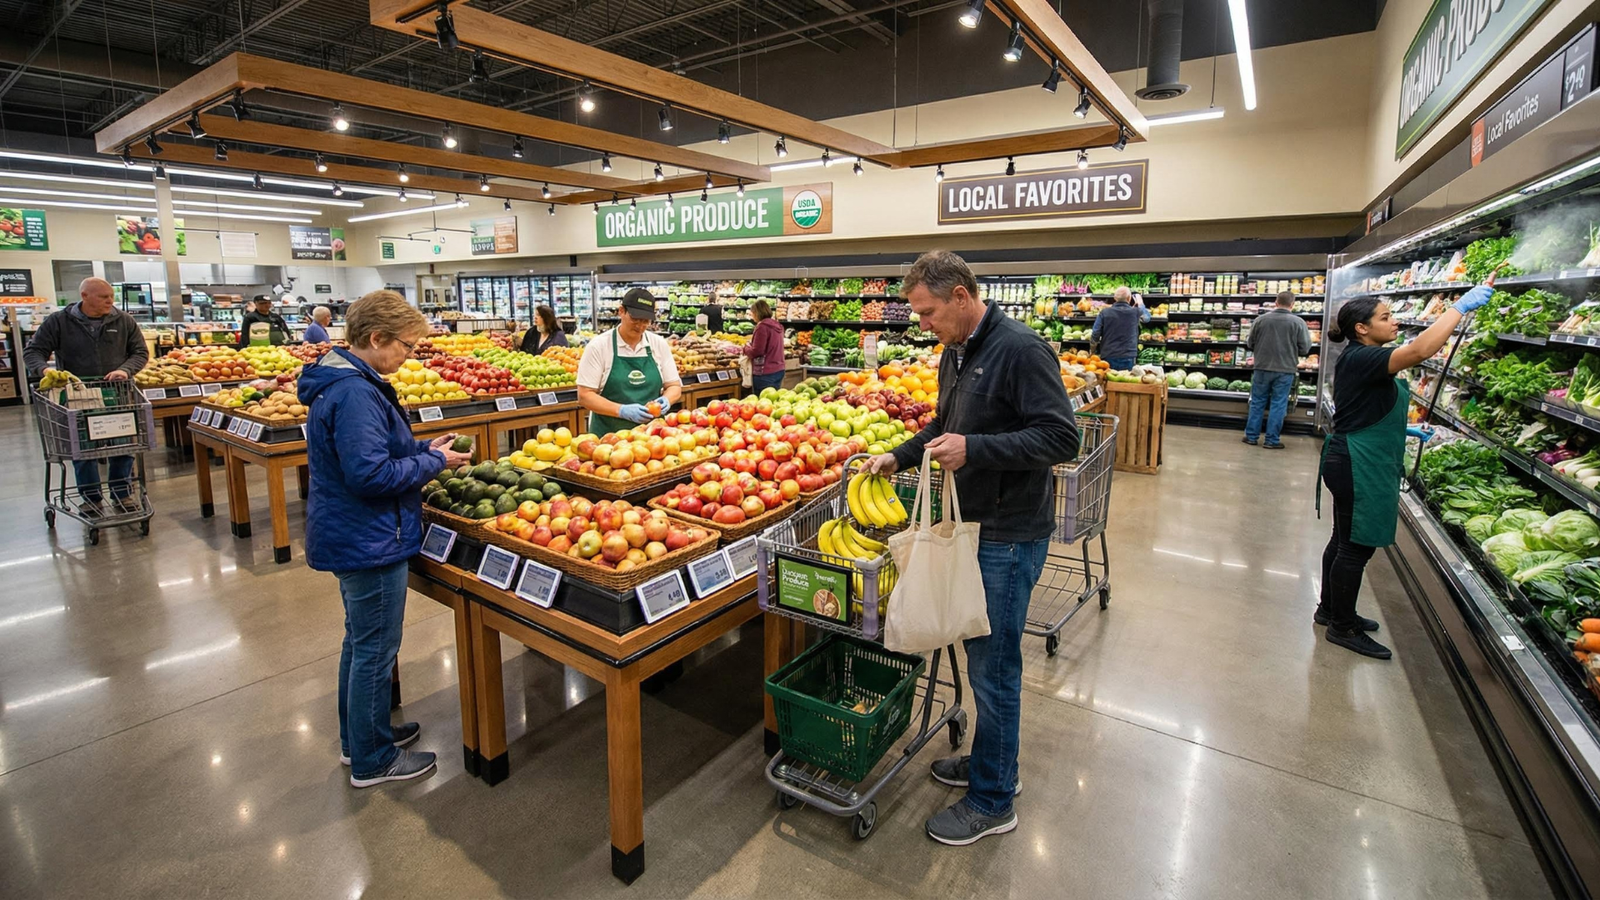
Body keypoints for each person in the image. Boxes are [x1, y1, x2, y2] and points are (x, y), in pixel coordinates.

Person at [862, 250, 1080, 846]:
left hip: (1009, 535)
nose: (923, 325)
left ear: (961, 295)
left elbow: (1063, 434)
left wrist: (977, 450)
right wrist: (899, 455)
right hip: (972, 529)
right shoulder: (956, 351)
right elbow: (943, 424)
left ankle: (993, 800)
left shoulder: (1022, 349)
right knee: (980, 658)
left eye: (929, 313)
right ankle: (991, 766)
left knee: (995, 671)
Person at [298, 289, 474, 787]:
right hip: (367, 536)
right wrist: (434, 462)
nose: (411, 355)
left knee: (361, 643)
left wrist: (421, 448)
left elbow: (376, 450)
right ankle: (374, 760)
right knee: (375, 647)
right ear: (376, 339)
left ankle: (361, 740)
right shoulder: (355, 392)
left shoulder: (346, 380)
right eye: (407, 346)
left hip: (354, 530)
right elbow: (370, 475)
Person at [1318, 285, 1493, 660]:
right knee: (1355, 547)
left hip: (1354, 454)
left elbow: (1367, 404)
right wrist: (1458, 308)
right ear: (1362, 328)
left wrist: (1405, 429)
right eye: (1385, 317)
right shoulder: (1363, 357)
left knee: (1342, 539)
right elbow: (1420, 350)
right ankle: (1342, 627)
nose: (1394, 321)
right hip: (1357, 461)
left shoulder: (1363, 355)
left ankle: (1330, 610)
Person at [23, 277, 149, 514]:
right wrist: (46, 370)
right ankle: (91, 498)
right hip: (77, 395)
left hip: (116, 393)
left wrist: (125, 369)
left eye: (111, 296)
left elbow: (140, 352)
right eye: (104, 297)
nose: (110, 301)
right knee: (84, 448)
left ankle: (122, 494)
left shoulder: (123, 321)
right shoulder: (59, 322)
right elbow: (34, 351)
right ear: (85, 296)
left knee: (122, 444)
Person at [576, 288, 681, 435]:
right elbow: (585, 395)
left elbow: (674, 386)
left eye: (646, 321)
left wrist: (667, 400)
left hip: (652, 440)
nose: (640, 325)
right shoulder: (598, 346)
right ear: (621, 311)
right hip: (609, 439)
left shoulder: (658, 344)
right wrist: (621, 410)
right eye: (635, 318)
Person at [1243, 292, 1313, 448]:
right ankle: (1271, 440)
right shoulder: (1298, 322)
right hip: (1285, 369)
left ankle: (1251, 437)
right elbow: (1305, 348)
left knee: (1257, 402)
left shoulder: (1260, 320)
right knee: (1278, 404)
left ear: (1276, 302)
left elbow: (1250, 343)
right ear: (1292, 304)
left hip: (1262, 367)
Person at [1089, 286, 1149, 370]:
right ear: (1129, 298)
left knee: (1108, 380)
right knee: (1125, 381)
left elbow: (1095, 333)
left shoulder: (1104, 312)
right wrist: (1140, 302)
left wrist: (1092, 350)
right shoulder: (1135, 312)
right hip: (1128, 355)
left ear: (1114, 298)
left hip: (1108, 354)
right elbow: (1146, 318)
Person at [742, 299, 786, 394]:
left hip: (765, 373)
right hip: (779, 369)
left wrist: (745, 348)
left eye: (752, 313)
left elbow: (757, 351)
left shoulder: (762, 327)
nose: (752, 316)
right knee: (773, 400)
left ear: (757, 313)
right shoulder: (778, 326)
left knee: (763, 403)